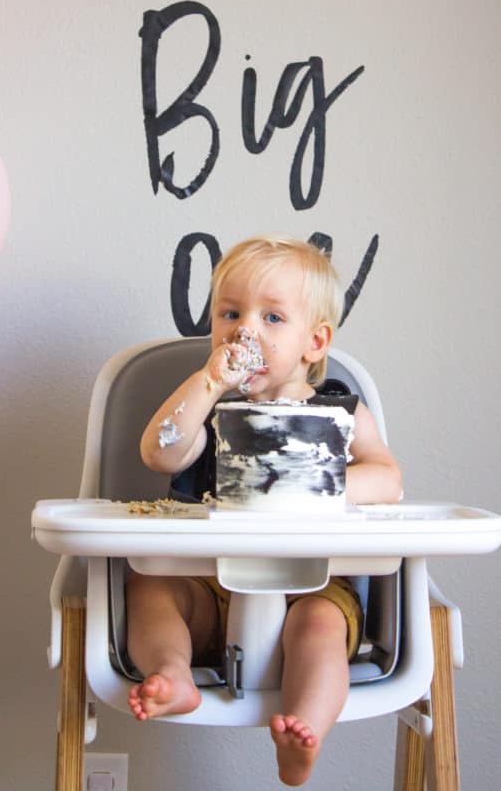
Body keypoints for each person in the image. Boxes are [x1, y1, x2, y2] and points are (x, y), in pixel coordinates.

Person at [126, 235, 402, 786]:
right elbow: (159, 453)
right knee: (151, 591)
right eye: (230, 313)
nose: (244, 329)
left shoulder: (339, 411)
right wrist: (206, 383)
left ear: (314, 341)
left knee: (322, 626)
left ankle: (306, 727)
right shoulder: (212, 409)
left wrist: (313, 485)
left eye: (272, 317)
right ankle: (172, 673)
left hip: (313, 584)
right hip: (210, 586)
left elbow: (388, 479)